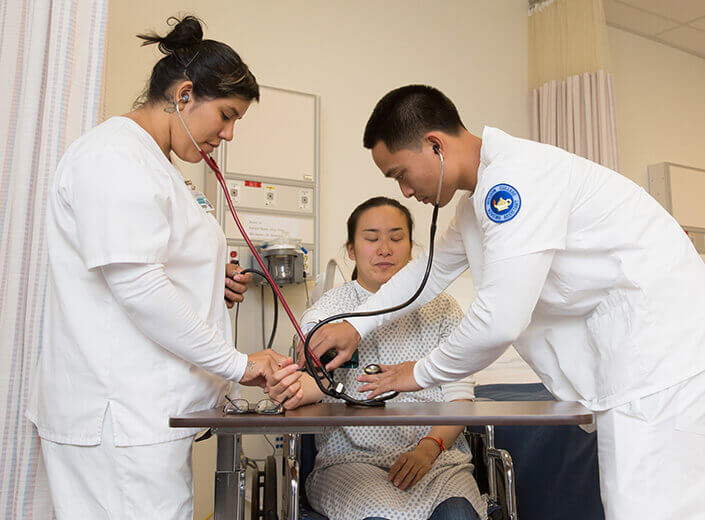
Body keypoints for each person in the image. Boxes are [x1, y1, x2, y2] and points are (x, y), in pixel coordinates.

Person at [306, 85, 705, 519]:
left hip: (661, 366)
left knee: (648, 508)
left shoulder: (515, 181)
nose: (404, 191)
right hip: (633, 368)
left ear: (434, 145)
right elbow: (427, 272)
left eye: (401, 173)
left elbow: (500, 321)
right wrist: (357, 324)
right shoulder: (477, 204)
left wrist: (415, 374)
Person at [26, 16, 287, 519]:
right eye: (227, 115)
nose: (228, 134)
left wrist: (213, 285)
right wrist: (240, 363)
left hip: (143, 418)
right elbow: (140, 287)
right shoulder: (114, 157)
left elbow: (151, 269)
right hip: (119, 419)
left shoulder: (155, 164)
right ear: (184, 95)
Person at [267, 197, 485, 520]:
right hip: (351, 462)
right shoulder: (330, 311)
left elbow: (460, 399)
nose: (385, 249)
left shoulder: (442, 309)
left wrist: (427, 451)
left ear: (412, 248)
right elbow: (313, 379)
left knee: (458, 515)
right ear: (351, 250)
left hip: (438, 461)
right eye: (371, 238)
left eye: (396, 238)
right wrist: (290, 385)